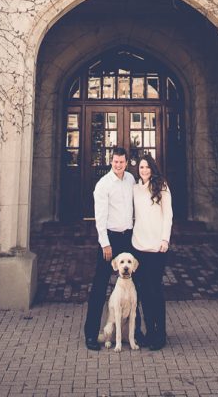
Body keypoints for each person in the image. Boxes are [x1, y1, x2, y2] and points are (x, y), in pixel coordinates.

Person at [83, 146, 135, 350]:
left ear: (126, 162)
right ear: (111, 161)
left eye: (121, 162)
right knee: (100, 285)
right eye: (115, 162)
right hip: (110, 240)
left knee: (133, 285)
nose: (118, 165)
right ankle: (91, 334)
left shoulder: (131, 179)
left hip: (128, 238)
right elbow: (100, 217)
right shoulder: (103, 185)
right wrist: (105, 243)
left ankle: (134, 332)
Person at [132, 153, 172, 351]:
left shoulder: (162, 187)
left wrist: (165, 239)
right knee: (144, 293)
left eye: (147, 167)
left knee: (155, 291)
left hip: (157, 247)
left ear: (152, 168)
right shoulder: (135, 189)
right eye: (141, 167)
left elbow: (168, 216)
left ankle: (160, 334)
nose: (144, 170)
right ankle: (149, 332)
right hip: (138, 246)